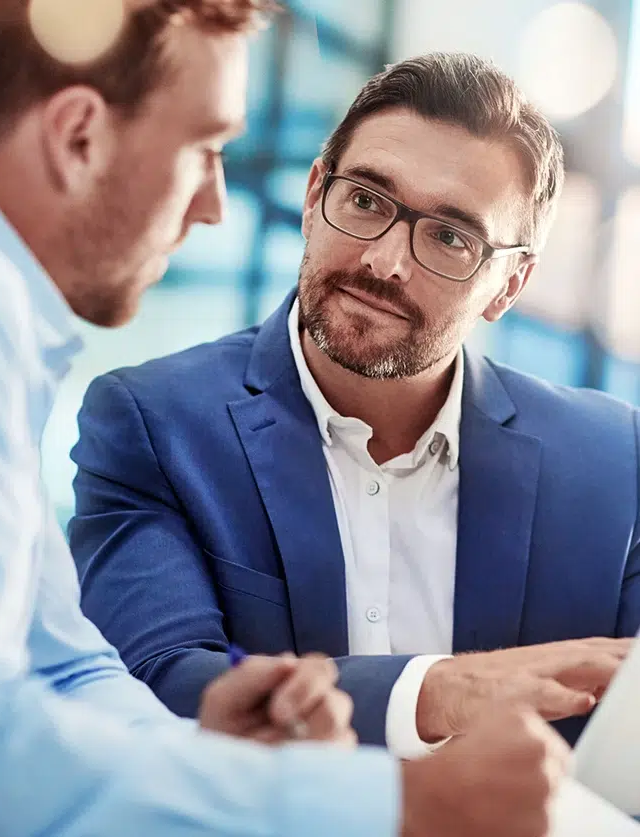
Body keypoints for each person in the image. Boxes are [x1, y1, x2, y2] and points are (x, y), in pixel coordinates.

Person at [0, 2, 571, 836]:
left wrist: (204, 756)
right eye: (205, 148)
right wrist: (398, 805)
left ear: (508, 284)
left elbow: (63, 664)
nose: (213, 204)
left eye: (450, 237)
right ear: (78, 135)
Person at [69, 51, 640, 758]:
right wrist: (438, 690)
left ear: (508, 285)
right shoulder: (154, 423)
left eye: (449, 237)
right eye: (366, 201)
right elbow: (160, 684)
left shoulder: (615, 463)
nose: (385, 262)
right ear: (314, 197)